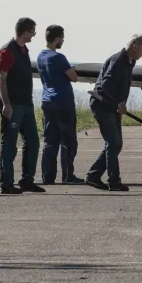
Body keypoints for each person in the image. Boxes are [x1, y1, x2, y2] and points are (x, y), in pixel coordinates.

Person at [85, 34, 142, 192]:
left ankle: (93, 175)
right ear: (135, 47)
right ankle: (113, 181)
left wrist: (119, 104)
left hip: (112, 106)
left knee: (116, 144)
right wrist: (118, 102)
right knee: (113, 143)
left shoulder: (129, 62)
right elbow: (106, 85)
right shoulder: (118, 61)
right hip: (102, 105)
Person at [0, 17, 44, 195]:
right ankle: (6, 184)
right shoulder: (7, 51)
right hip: (13, 104)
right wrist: (6, 104)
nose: (34, 35)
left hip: (26, 104)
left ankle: (27, 179)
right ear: (25, 32)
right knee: (9, 144)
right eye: (33, 32)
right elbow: (1, 78)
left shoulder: (24, 50)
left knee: (33, 142)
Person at [38, 24, 82, 185]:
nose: (63, 41)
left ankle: (47, 176)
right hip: (63, 102)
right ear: (57, 39)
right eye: (62, 38)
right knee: (68, 141)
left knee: (50, 141)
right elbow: (73, 77)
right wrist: (72, 70)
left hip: (47, 101)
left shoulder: (40, 56)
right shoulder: (59, 57)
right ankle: (68, 175)